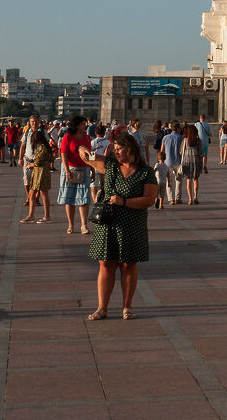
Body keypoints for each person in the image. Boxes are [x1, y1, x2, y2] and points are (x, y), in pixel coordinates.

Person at [83, 132, 158, 320]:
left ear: (130, 148)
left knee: (127, 264)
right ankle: (102, 308)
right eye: (114, 149)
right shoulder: (110, 165)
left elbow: (150, 199)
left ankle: (127, 307)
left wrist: (124, 201)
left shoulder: (146, 172)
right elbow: (84, 155)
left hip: (132, 224)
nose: (116, 152)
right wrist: (82, 147)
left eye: (119, 148)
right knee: (106, 264)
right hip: (108, 223)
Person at [57, 116, 93, 233]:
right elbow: (64, 154)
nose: (85, 126)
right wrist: (67, 170)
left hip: (84, 169)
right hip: (70, 170)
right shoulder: (67, 137)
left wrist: (92, 167)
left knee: (84, 198)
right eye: (83, 124)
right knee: (70, 198)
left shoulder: (87, 138)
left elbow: (90, 154)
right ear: (77, 125)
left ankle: (84, 225)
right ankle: (71, 225)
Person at [22, 129, 54, 224]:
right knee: (36, 193)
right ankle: (32, 215)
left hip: (40, 173)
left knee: (42, 193)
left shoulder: (42, 148)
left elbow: (37, 162)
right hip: (41, 172)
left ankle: (45, 216)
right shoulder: (45, 147)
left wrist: (30, 165)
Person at [161, 124, 184, 204]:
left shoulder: (165, 137)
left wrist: (161, 160)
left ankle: (170, 199)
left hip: (168, 162)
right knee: (178, 180)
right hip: (178, 161)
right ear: (178, 129)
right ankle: (177, 198)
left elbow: (162, 150)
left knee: (168, 181)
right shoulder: (181, 138)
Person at [180, 125, 202, 204]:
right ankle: (196, 197)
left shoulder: (185, 140)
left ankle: (190, 199)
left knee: (188, 180)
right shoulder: (198, 141)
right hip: (196, 162)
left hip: (186, 162)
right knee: (195, 179)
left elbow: (181, 152)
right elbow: (201, 154)